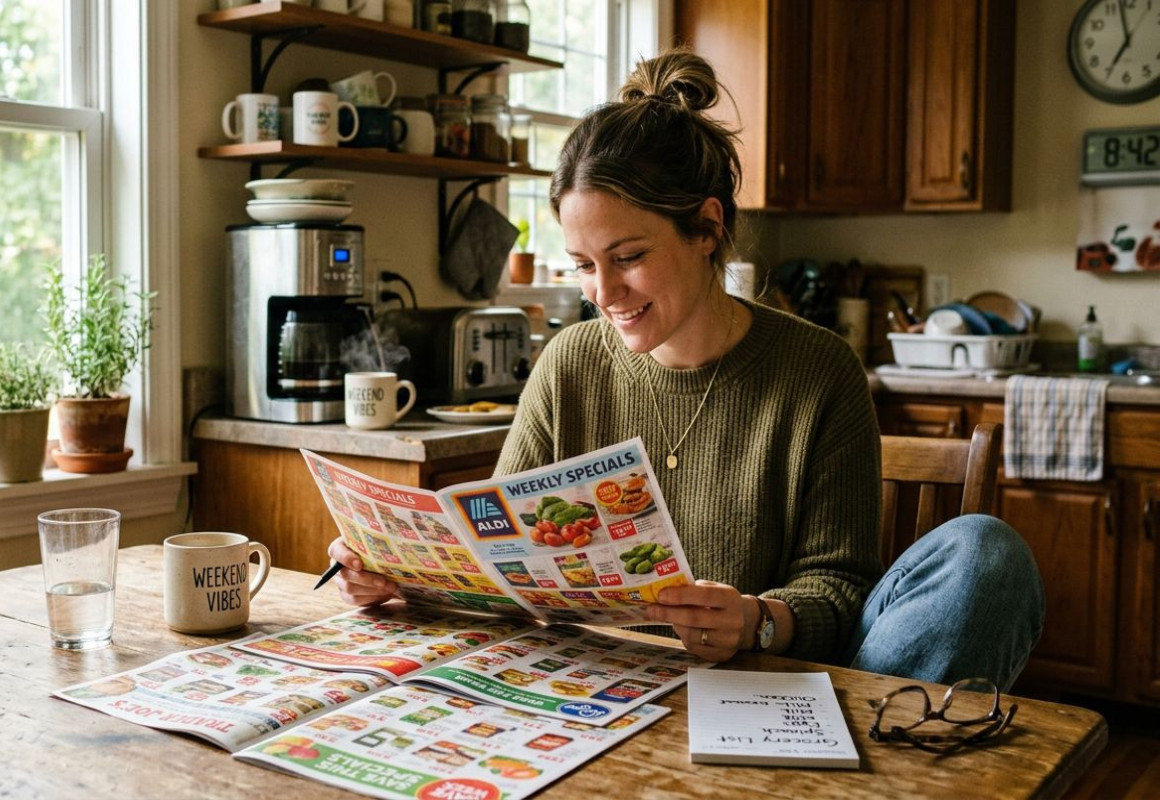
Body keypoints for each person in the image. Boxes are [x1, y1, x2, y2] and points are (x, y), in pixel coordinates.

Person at [330, 48, 1044, 690]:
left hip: (764, 688)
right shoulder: (569, 362)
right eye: (583, 266)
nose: (603, 295)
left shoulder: (818, 370)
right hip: (595, 689)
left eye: (629, 257)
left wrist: (758, 620)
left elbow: (837, 588)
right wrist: (397, 578)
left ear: (705, 228)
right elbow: (506, 567)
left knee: (986, 554)